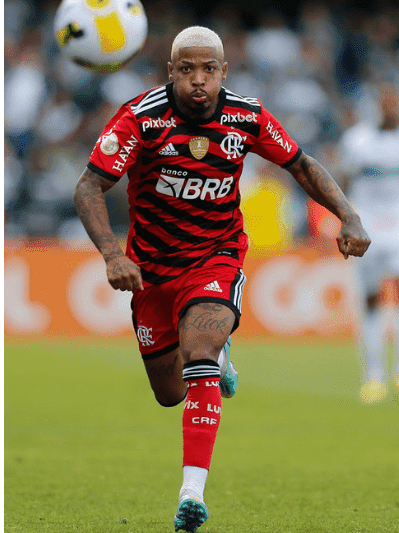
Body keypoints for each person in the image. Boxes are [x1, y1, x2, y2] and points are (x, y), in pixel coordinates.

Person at [73, 27, 370, 532]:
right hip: (152, 271)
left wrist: (350, 216)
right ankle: (218, 360)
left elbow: (301, 164)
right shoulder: (140, 120)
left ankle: (192, 494)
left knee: (201, 352)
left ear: (223, 72)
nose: (197, 80)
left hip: (216, 256)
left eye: (208, 70)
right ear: (171, 72)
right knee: (169, 392)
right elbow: (89, 185)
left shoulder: (246, 116)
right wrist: (110, 253)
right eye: (186, 69)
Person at [339, 81, 399, 404]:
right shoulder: (357, 141)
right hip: (368, 231)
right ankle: (374, 378)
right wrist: (347, 220)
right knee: (372, 303)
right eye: (385, 100)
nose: (390, 107)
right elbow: (342, 182)